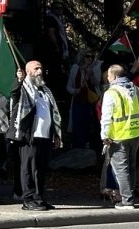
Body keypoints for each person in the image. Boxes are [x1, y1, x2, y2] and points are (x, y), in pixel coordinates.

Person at [7, 60, 63, 211]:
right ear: (28, 72)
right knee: (28, 169)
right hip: (28, 136)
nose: (40, 71)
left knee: (41, 169)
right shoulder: (24, 88)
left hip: (44, 137)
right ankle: (28, 199)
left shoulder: (45, 91)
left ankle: (39, 197)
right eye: (36, 68)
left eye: (41, 68)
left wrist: (56, 135)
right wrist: (19, 80)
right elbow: (14, 94)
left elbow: (53, 114)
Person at [99, 64, 139, 209]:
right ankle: (129, 195)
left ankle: (127, 200)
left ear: (114, 76)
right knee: (131, 166)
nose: (107, 78)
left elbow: (106, 116)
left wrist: (104, 135)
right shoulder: (136, 89)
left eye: (108, 76)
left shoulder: (111, 92)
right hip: (136, 133)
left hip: (118, 135)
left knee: (121, 169)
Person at [66, 49, 101, 150]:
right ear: (82, 57)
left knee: (89, 126)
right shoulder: (75, 68)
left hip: (91, 102)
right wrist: (75, 91)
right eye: (87, 56)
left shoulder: (94, 68)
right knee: (78, 126)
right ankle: (77, 148)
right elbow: (69, 86)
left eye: (91, 57)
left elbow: (96, 83)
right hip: (78, 101)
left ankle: (89, 148)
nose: (89, 58)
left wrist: (91, 74)